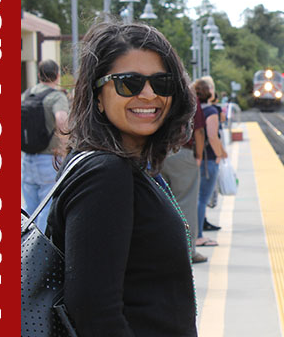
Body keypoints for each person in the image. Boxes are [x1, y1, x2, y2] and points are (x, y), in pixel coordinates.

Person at [46, 22, 197, 336]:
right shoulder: (105, 174)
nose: (148, 94)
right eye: (129, 83)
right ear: (98, 95)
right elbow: (94, 314)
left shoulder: (129, 167)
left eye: (162, 82)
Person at [161, 84, 208, 263]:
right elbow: (199, 130)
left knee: (161, 204)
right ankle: (187, 251)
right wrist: (198, 155)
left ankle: (163, 250)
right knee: (186, 202)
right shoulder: (188, 96)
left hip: (157, 153)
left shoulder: (159, 92)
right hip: (182, 152)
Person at [21, 59, 69, 232]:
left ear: (39, 75)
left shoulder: (27, 94)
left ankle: (20, 246)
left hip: (27, 158)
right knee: (46, 208)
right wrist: (64, 150)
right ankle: (35, 251)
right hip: (49, 159)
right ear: (57, 75)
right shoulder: (56, 96)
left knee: (29, 208)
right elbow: (62, 119)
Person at [193, 77, 227, 247]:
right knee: (202, 198)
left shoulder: (195, 110)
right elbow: (212, 136)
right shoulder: (211, 112)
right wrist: (220, 154)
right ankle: (198, 235)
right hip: (208, 161)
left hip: (196, 159)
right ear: (209, 92)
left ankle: (194, 233)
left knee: (196, 197)